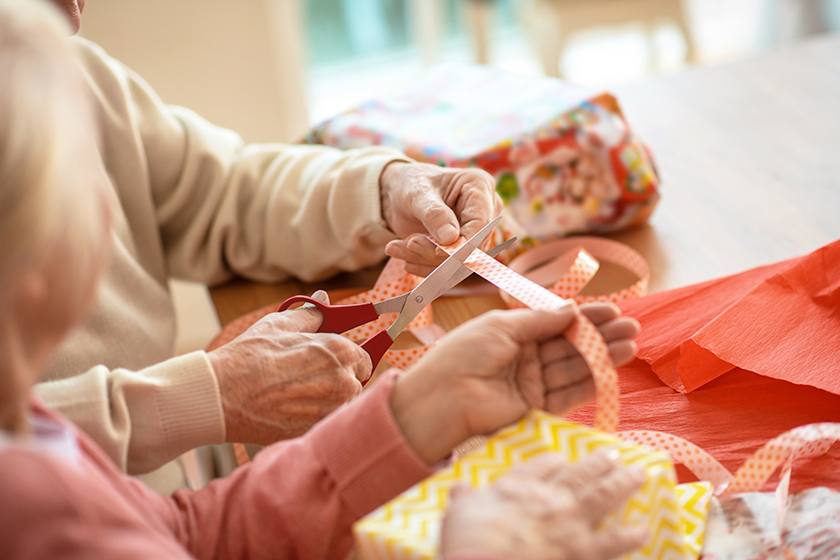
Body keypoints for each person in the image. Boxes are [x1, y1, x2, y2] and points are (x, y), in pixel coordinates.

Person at [0, 2, 648, 558]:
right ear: (32, 266)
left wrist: (415, 412)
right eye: (84, 183)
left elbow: (182, 534)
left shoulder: (36, 452)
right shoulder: (35, 501)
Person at [33, 0, 508, 475]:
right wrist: (203, 398)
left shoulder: (65, 67)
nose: (73, 13)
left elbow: (221, 193)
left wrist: (384, 190)